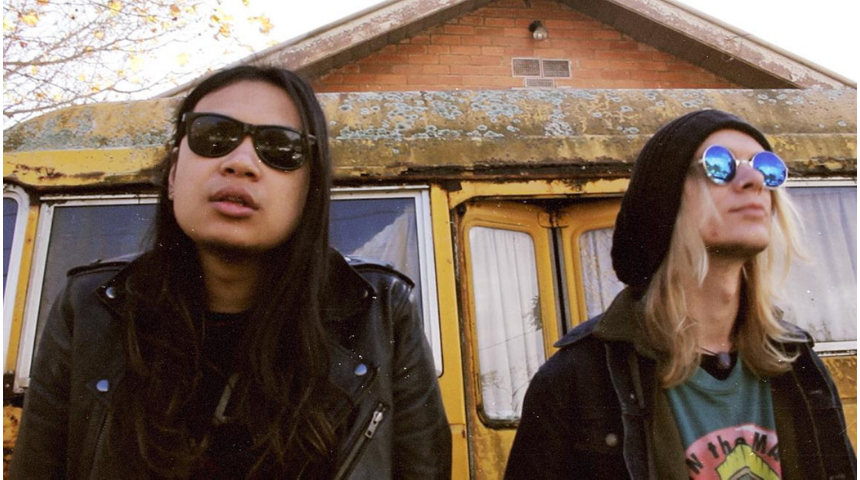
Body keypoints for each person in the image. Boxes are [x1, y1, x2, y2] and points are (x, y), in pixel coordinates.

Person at [10, 66, 451, 479]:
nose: (240, 162)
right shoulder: (92, 308)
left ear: (309, 191)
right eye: (213, 135)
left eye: (281, 148)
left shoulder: (378, 311)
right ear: (173, 174)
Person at [505, 109, 856, 479]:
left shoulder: (799, 367)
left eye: (766, 168)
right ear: (665, 201)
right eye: (720, 165)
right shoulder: (578, 380)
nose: (754, 180)